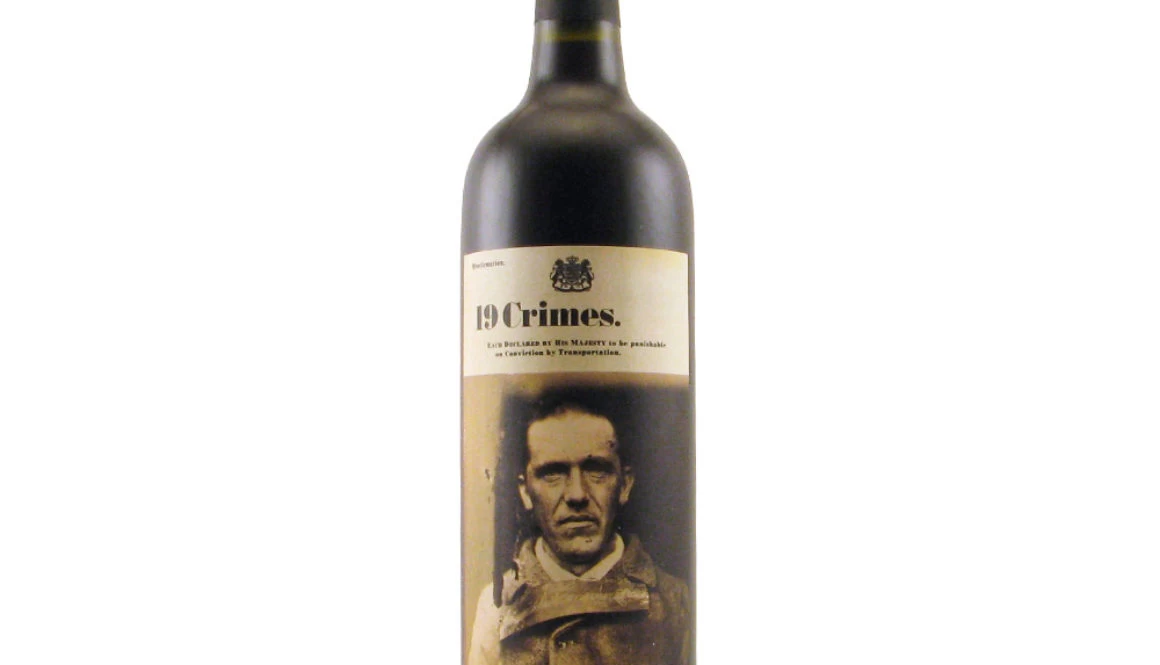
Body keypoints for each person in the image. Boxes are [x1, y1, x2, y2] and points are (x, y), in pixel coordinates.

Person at [468, 399, 691, 665]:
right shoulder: (498, 605)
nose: (577, 494)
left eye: (596, 472)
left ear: (625, 485)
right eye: (553, 474)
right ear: (525, 491)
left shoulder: (676, 602)